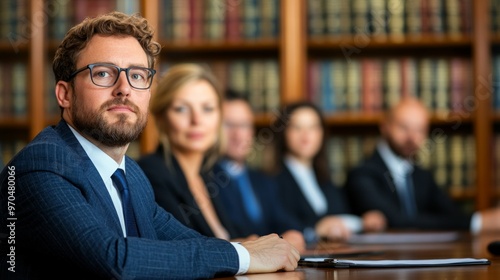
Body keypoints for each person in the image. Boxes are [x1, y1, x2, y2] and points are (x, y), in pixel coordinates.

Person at [0, 12, 299, 279]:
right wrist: (245, 255)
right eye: (103, 73)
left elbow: (188, 244)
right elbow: (116, 259)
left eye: (137, 75)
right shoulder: (39, 168)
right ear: (64, 94)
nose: (124, 89)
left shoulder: (132, 176)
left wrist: (258, 250)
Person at [345, 97, 500, 232]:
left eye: (420, 130)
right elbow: (397, 221)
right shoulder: (362, 174)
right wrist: (477, 222)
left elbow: (451, 214)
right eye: (404, 127)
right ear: (384, 127)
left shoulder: (421, 175)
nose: (412, 137)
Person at [270, 101, 386, 242]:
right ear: (283, 133)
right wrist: (314, 230)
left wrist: (363, 221)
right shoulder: (271, 180)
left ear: (322, 133)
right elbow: (278, 227)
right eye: (297, 127)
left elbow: (339, 215)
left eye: (313, 127)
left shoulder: (323, 177)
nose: (306, 135)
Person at [216, 90, 306, 251]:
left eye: (244, 125)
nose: (237, 135)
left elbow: (286, 222)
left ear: (252, 131)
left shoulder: (263, 180)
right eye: (228, 125)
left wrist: (292, 234)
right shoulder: (204, 180)